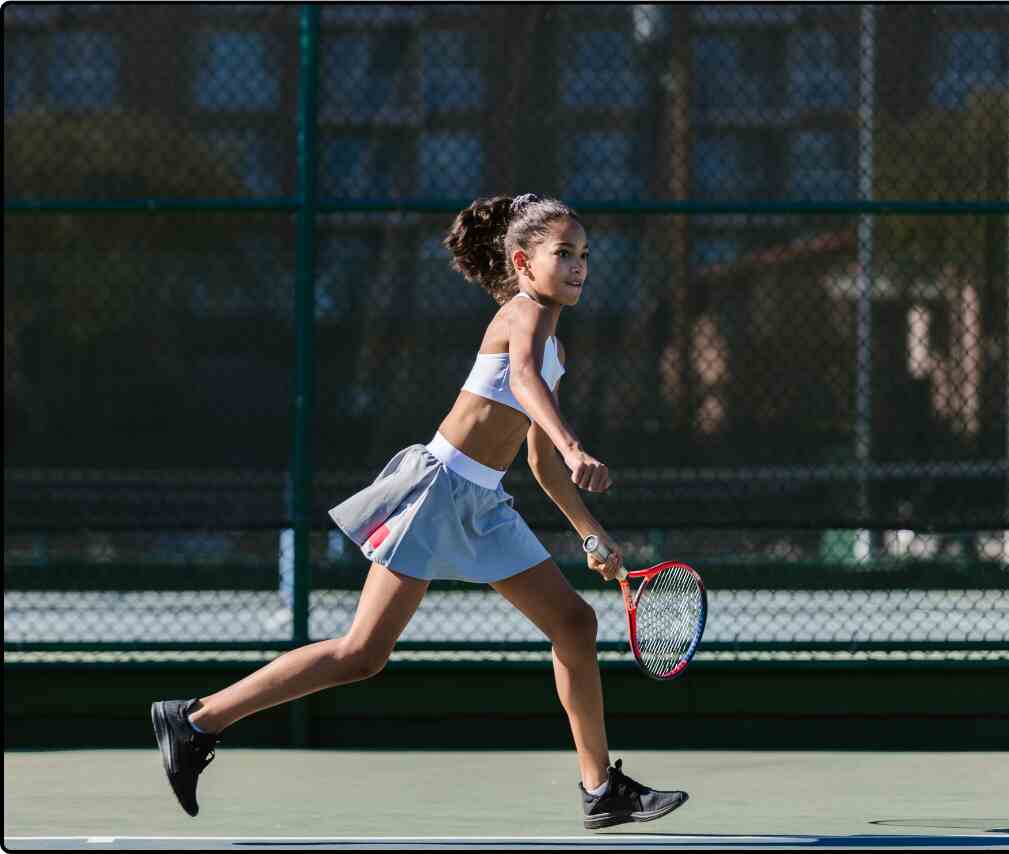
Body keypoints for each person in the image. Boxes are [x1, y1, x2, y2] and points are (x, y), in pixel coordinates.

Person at [150, 193, 689, 830]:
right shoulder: (523, 315)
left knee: (573, 625)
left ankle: (601, 790)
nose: (578, 266)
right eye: (563, 253)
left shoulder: (557, 348)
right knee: (362, 654)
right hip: (438, 493)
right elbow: (521, 381)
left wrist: (590, 531)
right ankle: (194, 719)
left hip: (484, 502)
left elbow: (539, 462)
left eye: (585, 255)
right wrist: (576, 444)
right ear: (521, 262)